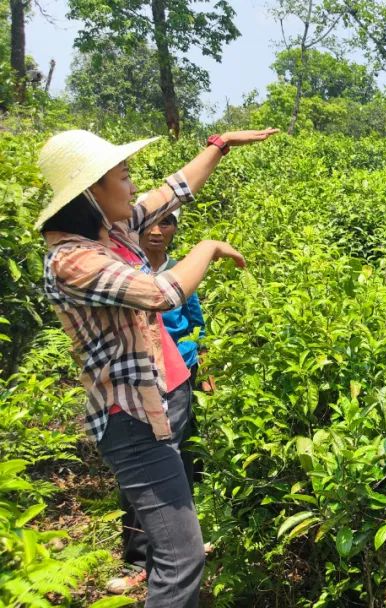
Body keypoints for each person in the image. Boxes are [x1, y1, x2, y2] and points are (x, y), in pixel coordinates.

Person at [37, 127, 277, 607]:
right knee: (180, 558)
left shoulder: (113, 232)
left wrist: (219, 146)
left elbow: (174, 190)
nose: (132, 186)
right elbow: (161, 294)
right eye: (123, 177)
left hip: (161, 401)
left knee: (179, 553)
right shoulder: (72, 260)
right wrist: (207, 246)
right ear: (91, 192)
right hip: (131, 421)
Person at [106, 209, 209, 594]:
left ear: (175, 230)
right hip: (136, 378)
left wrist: (200, 358)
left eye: (167, 223)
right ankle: (140, 558)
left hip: (179, 372)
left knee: (175, 458)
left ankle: (178, 549)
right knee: (143, 468)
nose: (157, 230)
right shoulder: (122, 270)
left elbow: (195, 322)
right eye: (150, 223)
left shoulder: (182, 270)